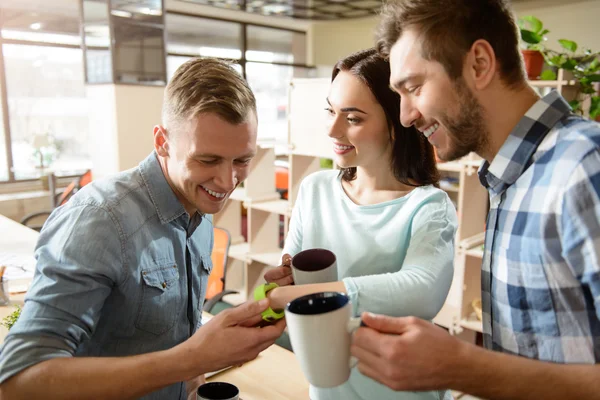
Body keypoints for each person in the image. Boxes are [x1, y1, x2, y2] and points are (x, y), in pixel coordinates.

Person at [350, 1, 600, 399]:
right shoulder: (510, 178)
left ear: (480, 64)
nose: (405, 116)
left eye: (414, 88)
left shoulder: (583, 166)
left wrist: (464, 367)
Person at [0, 58, 286, 400]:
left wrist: (201, 366)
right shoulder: (98, 222)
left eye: (242, 160)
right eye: (207, 160)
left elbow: (176, 342)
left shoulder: (199, 208)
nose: (227, 182)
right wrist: (192, 357)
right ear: (162, 141)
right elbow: (18, 383)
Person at [264, 48, 457, 400]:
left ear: (397, 122)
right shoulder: (315, 189)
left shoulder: (428, 207)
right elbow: (297, 275)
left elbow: (422, 291)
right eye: (330, 111)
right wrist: (285, 277)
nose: (333, 129)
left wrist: (303, 293)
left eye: (352, 118)